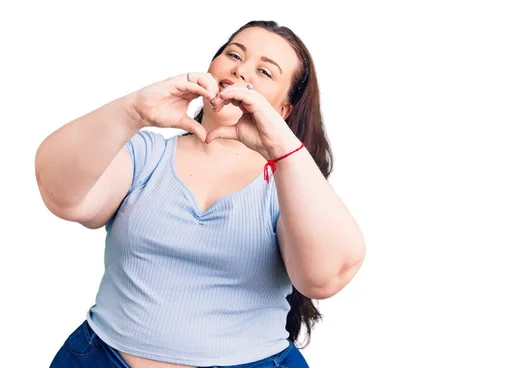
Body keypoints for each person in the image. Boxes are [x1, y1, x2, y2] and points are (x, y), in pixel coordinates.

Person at [36, 20, 366, 368]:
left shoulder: (288, 186)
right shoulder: (146, 155)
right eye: (233, 54)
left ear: (283, 110)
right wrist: (133, 111)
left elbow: (327, 276)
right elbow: (61, 194)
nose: (240, 70)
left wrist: (282, 145)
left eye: (265, 71)